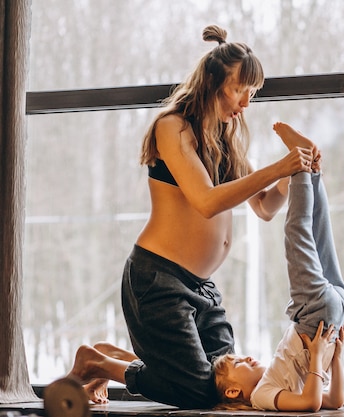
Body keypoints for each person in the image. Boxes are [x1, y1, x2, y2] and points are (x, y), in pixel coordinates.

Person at [65, 25, 317, 409]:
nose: (246, 103)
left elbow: (264, 207)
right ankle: (98, 363)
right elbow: (205, 201)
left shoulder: (226, 138)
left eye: (253, 94)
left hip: (202, 287)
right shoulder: (174, 127)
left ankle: (107, 357)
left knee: (225, 386)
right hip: (157, 280)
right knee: (197, 391)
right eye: (240, 90)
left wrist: (293, 173)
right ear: (213, 82)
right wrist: (277, 166)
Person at [212, 122, 344, 412]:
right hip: (316, 319)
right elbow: (312, 404)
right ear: (235, 390)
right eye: (237, 363)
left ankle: (311, 171)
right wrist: (327, 356)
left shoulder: (278, 381)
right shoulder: (262, 396)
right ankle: (300, 165)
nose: (245, 357)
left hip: (328, 316)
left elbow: (335, 401)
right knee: (297, 234)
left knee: (318, 232)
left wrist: (330, 355)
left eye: (238, 356)